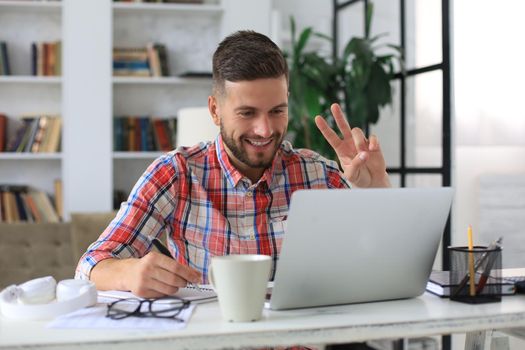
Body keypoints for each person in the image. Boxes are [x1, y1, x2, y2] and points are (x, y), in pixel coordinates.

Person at [75, 30, 391, 298]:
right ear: (215, 110)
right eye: (247, 113)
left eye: (277, 111)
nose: (265, 130)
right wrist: (129, 272)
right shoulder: (176, 173)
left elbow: (383, 264)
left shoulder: (318, 174)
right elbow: (89, 267)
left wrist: (376, 189)